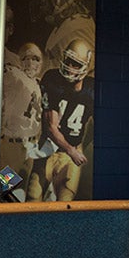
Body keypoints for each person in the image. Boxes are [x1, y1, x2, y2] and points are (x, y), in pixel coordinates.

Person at [26, 38, 94, 202]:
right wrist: (72, 150)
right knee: (32, 199)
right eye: (69, 61)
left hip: (70, 155)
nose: (70, 68)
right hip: (48, 150)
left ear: (86, 66)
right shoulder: (52, 79)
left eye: (76, 64)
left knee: (65, 205)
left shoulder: (92, 88)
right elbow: (51, 127)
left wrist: (79, 146)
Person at [0, 42, 44, 199]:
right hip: (12, 146)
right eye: (26, 58)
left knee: (20, 194)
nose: (31, 63)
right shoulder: (14, 75)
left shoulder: (37, 84)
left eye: (36, 59)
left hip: (29, 147)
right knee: (2, 190)